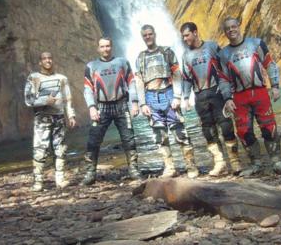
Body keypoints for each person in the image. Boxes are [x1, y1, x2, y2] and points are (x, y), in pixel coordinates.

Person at [219, 17, 281, 175]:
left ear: (239, 26)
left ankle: (276, 161)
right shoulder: (223, 54)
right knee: (244, 132)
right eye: (227, 29)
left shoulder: (256, 44)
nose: (231, 30)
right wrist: (227, 98)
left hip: (260, 92)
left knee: (269, 128)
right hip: (239, 97)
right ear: (225, 33)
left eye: (233, 26)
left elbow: (269, 64)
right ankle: (256, 164)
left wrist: (275, 86)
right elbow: (223, 79)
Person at [135, 24, 199, 178]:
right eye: (145, 35)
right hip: (151, 97)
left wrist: (177, 96)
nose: (148, 37)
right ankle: (169, 167)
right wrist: (142, 103)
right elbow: (138, 81)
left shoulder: (167, 52)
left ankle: (191, 166)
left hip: (169, 93)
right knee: (159, 135)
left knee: (179, 131)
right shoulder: (140, 57)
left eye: (150, 34)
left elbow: (177, 74)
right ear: (142, 37)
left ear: (155, 34)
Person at [179, 21, 242, 176]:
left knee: (226, 126)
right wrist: (186, 98)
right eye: (183, 37)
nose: (185, 39)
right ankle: (220, 163)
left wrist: (230, 92)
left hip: (217, 93)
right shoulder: (185, 55)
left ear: (195, 32)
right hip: (200, 96)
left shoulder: (212, 47)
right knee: (208, 131)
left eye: (187, 35)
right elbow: (186, 78)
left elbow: (225, 69)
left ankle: (235, 162)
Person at [80, 36, 142, 185]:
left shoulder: (122, 62)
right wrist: (91, 107)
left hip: (121, 106)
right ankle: (90, 173)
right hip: (101, 108)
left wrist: (134, 102)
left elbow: (132, 83)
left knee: (129, 139)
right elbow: (88, 89)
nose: (105, 49)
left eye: (107, 46)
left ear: (111, 47)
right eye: (102, 46)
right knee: (93, 140)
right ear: (98, 48)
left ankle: (133, 169)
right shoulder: (91, 66)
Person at [24, 51, 77, 191]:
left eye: (50, 58)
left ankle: (60, 179)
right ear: (40, 62)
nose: (48, 61)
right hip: (42, 119)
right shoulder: (33, 78)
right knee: (40, 150)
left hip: (59, 118)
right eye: (45, 59)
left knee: (60, 149)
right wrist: (44, 101)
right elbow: (28, 100)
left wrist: (71, 115)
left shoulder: (62, 78)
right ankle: (38, 182)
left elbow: (68, 98)